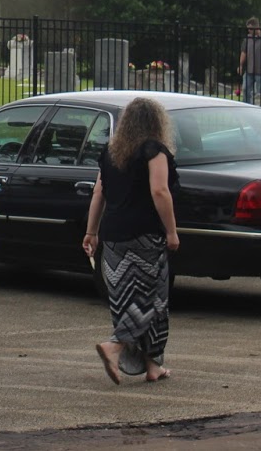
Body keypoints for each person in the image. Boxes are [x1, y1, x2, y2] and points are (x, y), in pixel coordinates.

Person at [83, 96, 179, 385]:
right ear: (156, 122)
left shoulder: (112, 152)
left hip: (113, 237)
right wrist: (172, 231)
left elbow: (98, 193)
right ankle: (115, 345)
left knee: (127, 298)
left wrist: (91, 232)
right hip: (145, 235)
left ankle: (152, 366)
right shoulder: (153, 151)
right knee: (152, 299)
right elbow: (160, 191)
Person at [238, 18, 261, 105]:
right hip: (249, 70)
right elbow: (244, 52)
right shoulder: (248, 38)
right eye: (248, 29)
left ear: (257, 27)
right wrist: (240, 65)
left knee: (260, 94)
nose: (249, 30)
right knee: (245, 89)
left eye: (251, 28)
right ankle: (246, 107)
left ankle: (259, 109)